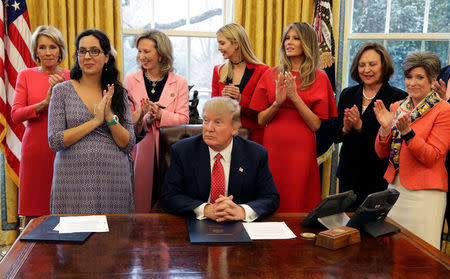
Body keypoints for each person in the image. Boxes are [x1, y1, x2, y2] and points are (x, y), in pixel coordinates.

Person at [250, 22, 337, 213]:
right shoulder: (270, 74)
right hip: (273, 145)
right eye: (287, 38)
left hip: (302, 148)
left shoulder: (319, 77)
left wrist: (295, 97)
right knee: (272, 192)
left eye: (296, 38)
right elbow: (261, 120)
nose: (289, 42)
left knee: (297, 196)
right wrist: (277, 102)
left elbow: (315, 125)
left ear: (306, 43)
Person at [48, 29, 135, 214]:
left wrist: (109, 117)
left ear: (106, 57)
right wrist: (95, 121)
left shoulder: (119, 93)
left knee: (113, 240)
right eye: (82, 51)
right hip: (72, 181)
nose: (87, 56)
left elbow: (127, 144)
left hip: (113, 181)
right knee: (71, 238)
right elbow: (55, 141)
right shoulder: (61, 91)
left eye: (94, 51)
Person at [374, 51, 450, 249]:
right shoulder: (397, 106)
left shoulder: (444, 111)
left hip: (425, 195)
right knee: (394, 254)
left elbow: (431, 157)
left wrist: (407, 132)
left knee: (420, 257)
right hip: (394, 189)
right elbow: (382, 153)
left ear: (433, 79)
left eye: (420, 77)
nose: (412, 83)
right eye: (409, 77)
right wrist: (384, 129)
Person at [161, 97, 279, 222]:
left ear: (234, 128)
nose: (209, 128)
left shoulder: (255, 154)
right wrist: (205, 209)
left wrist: (242, 211)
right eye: (206, 121)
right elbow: (169, 196)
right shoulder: (183, 151)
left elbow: (270, 198)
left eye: (217, 122)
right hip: (195, 223)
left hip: (239, 225)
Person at [333, 42, 407, 210]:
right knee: (346, 228)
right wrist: (345, 128)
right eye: (362, 65)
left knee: (372, 228)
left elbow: (393, 141)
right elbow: (335, 136)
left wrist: (360, 126)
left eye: (372, 64)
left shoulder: (398, 97)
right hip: (348, 174)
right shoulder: (348, 93)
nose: (367, 70)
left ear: (384, 66)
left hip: (377, 175)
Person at [124, 29, 189, 213]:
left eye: (146, 51)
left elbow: (184, 119)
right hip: (140, 150)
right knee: (140, 202)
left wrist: (161, 116)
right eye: (139, 51)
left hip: (170, 151)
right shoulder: (130, 80)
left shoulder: (180, 82)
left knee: (169, 201)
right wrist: (145, 116)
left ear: (160, 54)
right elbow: (126, 120)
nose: (141, 56)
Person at [11, 26, 70, 223]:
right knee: (33, 209)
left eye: (52, 47)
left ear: (60, 50)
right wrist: (44, 104)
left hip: (65, 150)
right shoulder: (26, 75)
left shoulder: (71, 77)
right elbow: (16, 115)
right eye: (42, 47)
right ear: (35, 51)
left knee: (64, 210)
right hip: (35, 150)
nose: (47, 52)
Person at [212, 23, 269, 144]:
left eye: (222, 43)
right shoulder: (218, 70)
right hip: (224, 138)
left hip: (253, 138)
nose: (218, 48)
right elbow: (213, 112)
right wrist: (221, 100)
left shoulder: (263, 71)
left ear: (236, 44)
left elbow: (261, 115)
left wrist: (240, 98)